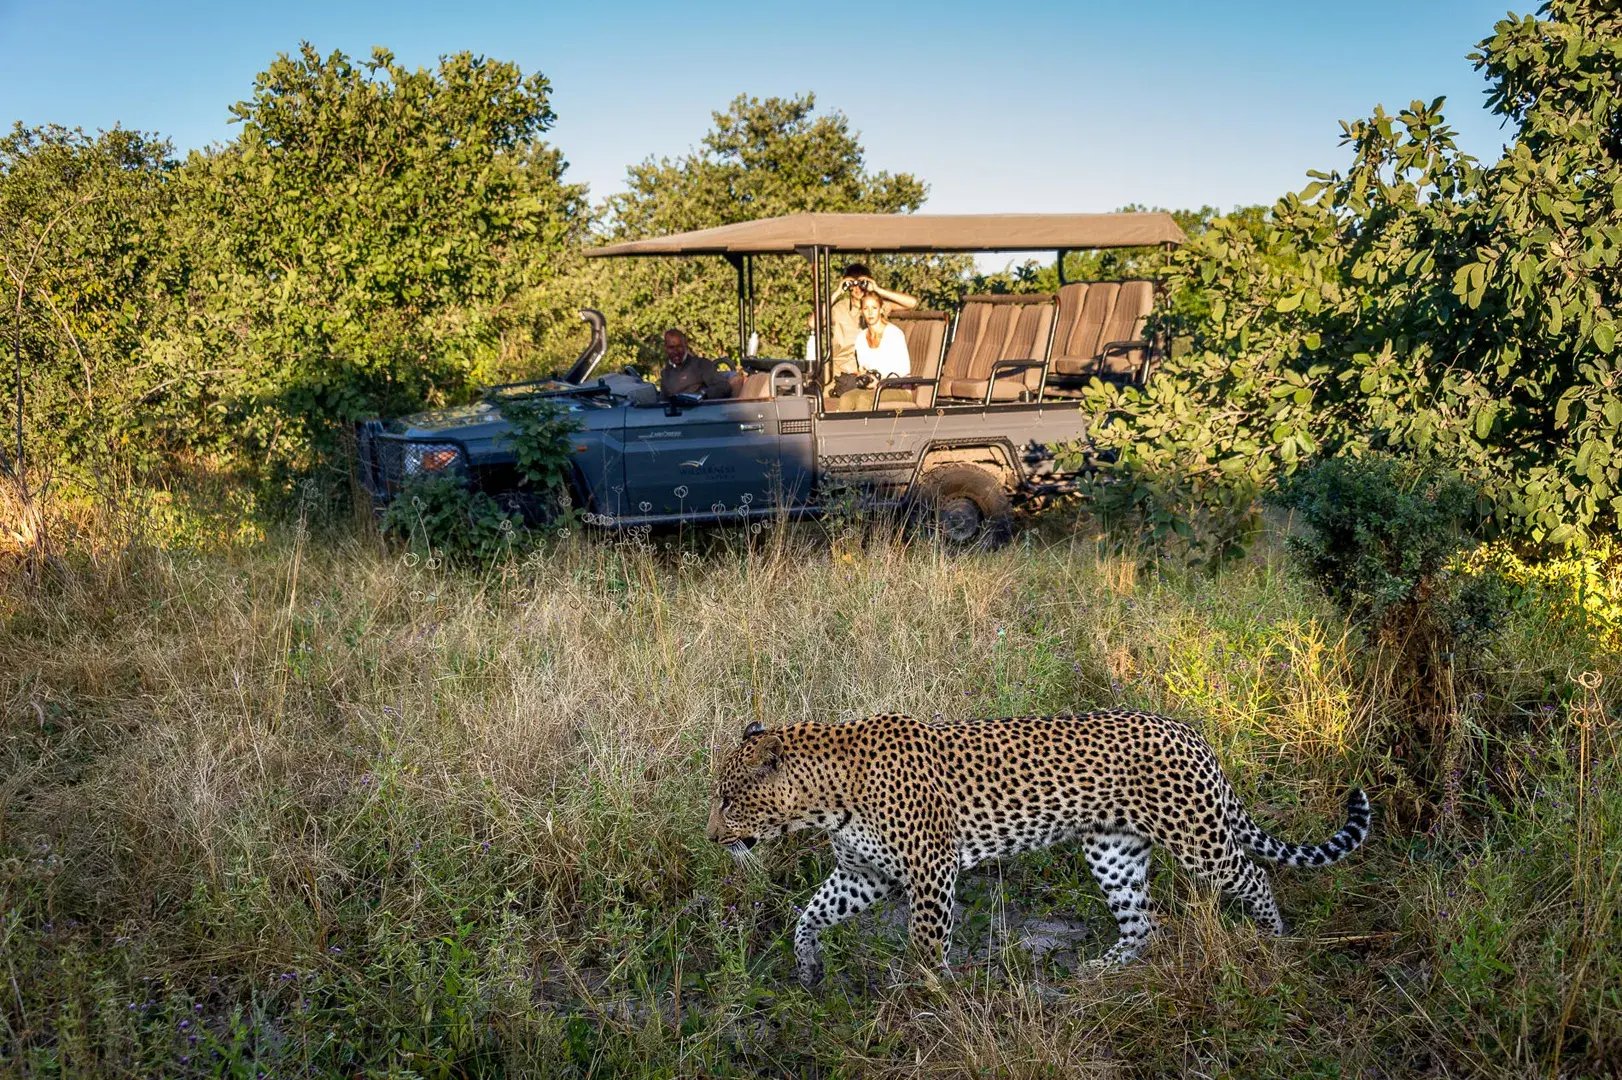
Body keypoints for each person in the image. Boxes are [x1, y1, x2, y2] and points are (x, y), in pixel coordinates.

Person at [823, 263, 916, 399]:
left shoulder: (875, 306)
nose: (857, 288)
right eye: (852, 284)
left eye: (861, 283)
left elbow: (912, 303)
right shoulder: (838, 309)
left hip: (868, 379)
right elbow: (812, 323)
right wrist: (838, 292)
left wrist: (878, 289)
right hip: (841, 377)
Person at [835, 293, 914, 411]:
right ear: (862, 311)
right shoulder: (861, 338)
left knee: (863, 399)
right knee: (846, 398)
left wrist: (881, 380)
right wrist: (864, 375)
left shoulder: (894, 334)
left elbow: (903, 370)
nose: (870, 313)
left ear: (881, 310)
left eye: (874, 308)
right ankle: (844, 429)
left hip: (897, 388)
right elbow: (864, 368)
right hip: (872, 388)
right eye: (866, 308)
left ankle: (864, 429)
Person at [658, 328, 734, 401]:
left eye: (679, 347)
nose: (675, 351)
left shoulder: (701, 365)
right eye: (671, 348)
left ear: (685, 346)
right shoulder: (665, 374)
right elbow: (663, 401)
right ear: (666, 348)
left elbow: (724, 386)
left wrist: (702, 395)